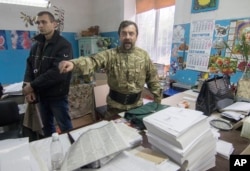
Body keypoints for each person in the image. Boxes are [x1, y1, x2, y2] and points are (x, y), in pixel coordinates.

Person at [59, 20, 162, 119]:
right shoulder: (110, 55)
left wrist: (157, 102)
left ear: (136, 36)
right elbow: (92, 61)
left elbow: (152, 78)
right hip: (114, 108)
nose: (127, 37)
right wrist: (74, 64)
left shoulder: (143, 56)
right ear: (119, 36)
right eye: (124, 33)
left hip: (137, 107)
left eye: (131, 34)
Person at [22, 11, 73, 137]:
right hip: (41, 95)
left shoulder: (64, 45)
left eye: (44, 22)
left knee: (65, 127)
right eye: (38, 23)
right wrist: (28, 87)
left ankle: (72, 149)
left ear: (54, 24)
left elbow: (57, 73)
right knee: (47, 127)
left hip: (57, 96)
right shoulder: (36, 46)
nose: (40, 25)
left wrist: (32, 86)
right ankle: (51, 150)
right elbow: (29, 67)